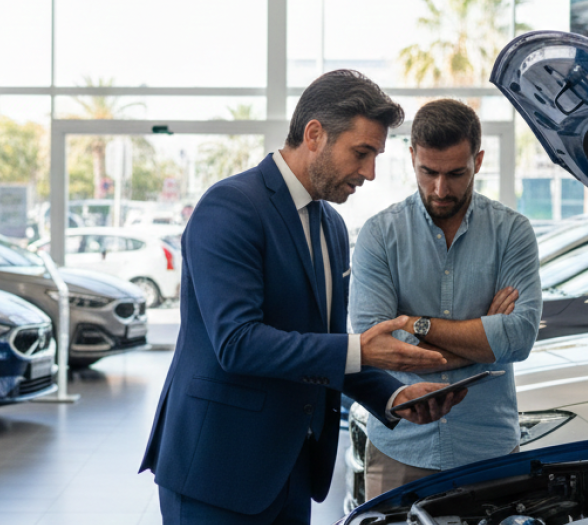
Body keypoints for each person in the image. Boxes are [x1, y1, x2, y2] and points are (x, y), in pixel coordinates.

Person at [139, 70, 466, 525]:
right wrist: (361, 349)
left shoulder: (330, 226)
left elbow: (322, 346)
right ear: (315, 134)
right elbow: (237, 343)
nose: (370, 172)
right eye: (362, 152)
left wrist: (394, 399)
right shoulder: (230, 207)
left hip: (292, 469)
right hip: (218, 470)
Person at [349, 98, 542, 500]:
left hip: (488, 447)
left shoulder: (512, 232)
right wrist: (484, 343)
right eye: (428, 172)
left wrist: (413, 324)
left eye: (456, 173)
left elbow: (518, 339)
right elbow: (376, 343)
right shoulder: (379, 236)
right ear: (411, 158)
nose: (440, 188)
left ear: (479, 159)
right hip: (400, 446)